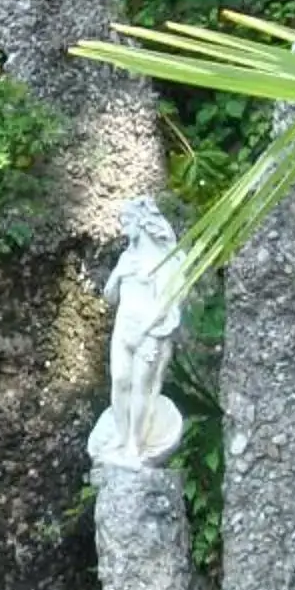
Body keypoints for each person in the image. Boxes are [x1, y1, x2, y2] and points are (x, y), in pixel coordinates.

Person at [93, 196, 183, 465]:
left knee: (140, 387)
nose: (123, 229)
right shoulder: (126, 258)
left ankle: (135, 442)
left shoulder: (162, 261)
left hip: (148, 332)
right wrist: (117, 274)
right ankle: (121, 437)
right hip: (123, 328)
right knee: (119, 381)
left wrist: (144, 330)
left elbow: (164, 304)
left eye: (126, 222)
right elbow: (110, 297)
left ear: (141, 223)